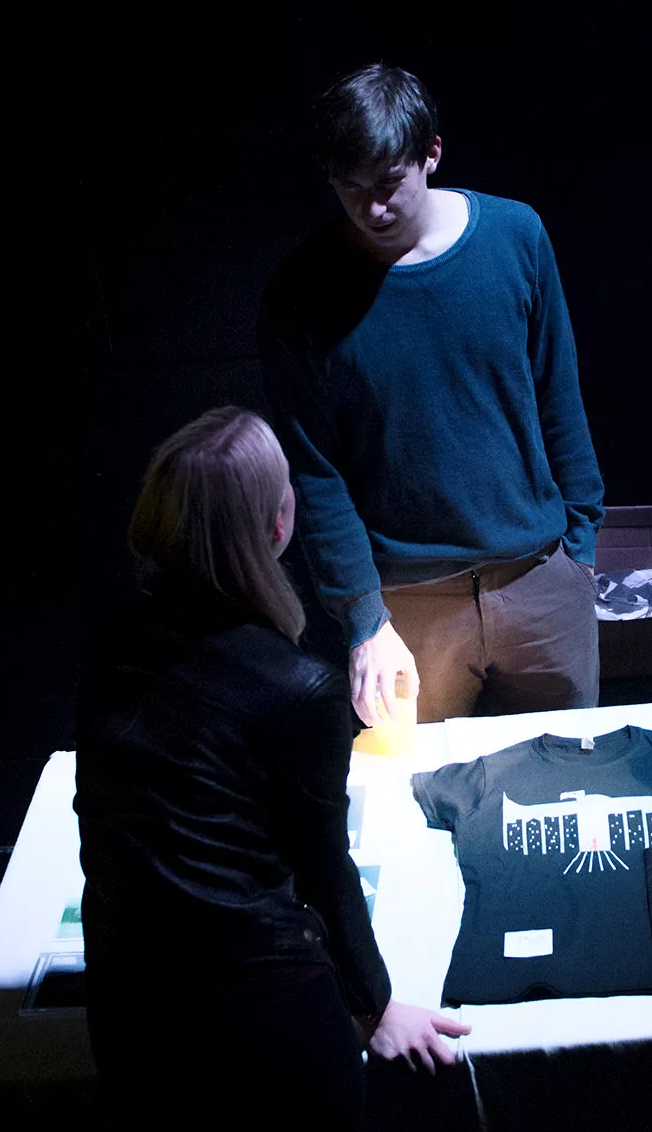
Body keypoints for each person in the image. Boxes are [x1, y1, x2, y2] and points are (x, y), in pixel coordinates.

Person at [74, 407, 468, 1132]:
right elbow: (322, 868)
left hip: (133, 1006)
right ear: (278, 526)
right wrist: (378, 1003)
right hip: (266, 1021)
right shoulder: (296, 687)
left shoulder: (111, 646)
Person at [259, 63, 604, 726]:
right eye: (349, 186)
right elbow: (316, 472)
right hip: (406, 607)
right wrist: (364, 617)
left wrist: (580, 551)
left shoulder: (515, 236)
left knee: (564, 775)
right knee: (417, 786)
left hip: (539, 582)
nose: (372, 207)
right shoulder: (300, 294)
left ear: (431, 154)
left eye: (388, 182)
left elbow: (558, 396)